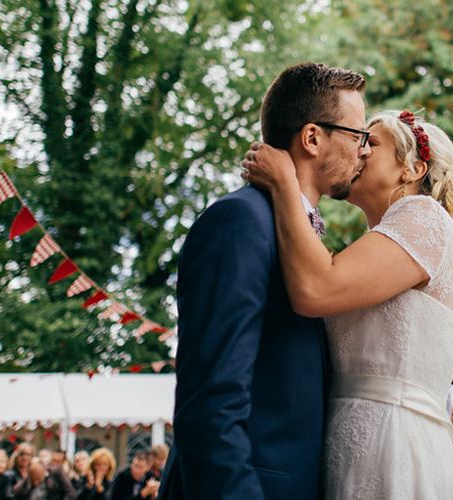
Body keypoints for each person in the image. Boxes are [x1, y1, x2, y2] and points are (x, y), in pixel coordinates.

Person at [157, 62, 370, 500]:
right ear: (313, 138)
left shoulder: (301, 243)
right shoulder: (240, 221)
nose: (365, 150)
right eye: (358, 135)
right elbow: (210, 405)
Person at [241, 107, 453, 498]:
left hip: (393, 445)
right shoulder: (381, 241)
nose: (360, 151)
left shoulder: (423, 217)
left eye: (372, 142)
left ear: (412, 169)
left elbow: (316, 289)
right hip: (348, 444)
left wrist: (286, 183)